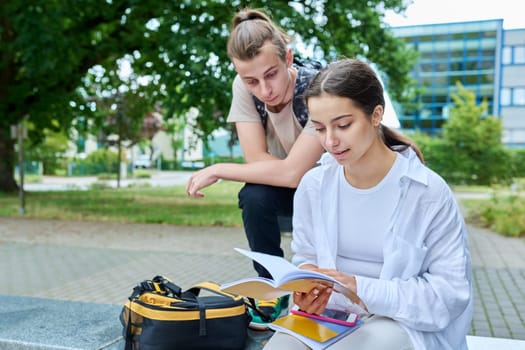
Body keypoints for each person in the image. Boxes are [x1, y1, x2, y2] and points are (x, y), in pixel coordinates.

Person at [265, 58, 473, 349]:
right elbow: (306, 256)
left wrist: (360, 288)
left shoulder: (428, 193)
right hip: (332, 316)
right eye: (319, 129)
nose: (330, 141)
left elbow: (449, 295)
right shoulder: (314, 186)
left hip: (403, 322)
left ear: (376, 115)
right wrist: (308, 287)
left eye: (343, 125)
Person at [185, 8, 324, 328]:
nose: (264, 90)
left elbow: (293, 174)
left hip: (336, 191)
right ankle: (271, 290)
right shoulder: (242, 86)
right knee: (255, 195)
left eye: (271, 74)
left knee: (272, 184)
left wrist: (219, 168)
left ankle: (321, 294)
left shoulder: (319, 86)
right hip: (295, 185)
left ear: (288, 58)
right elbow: (259, 161)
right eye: (251, 81)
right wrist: (290, 169)